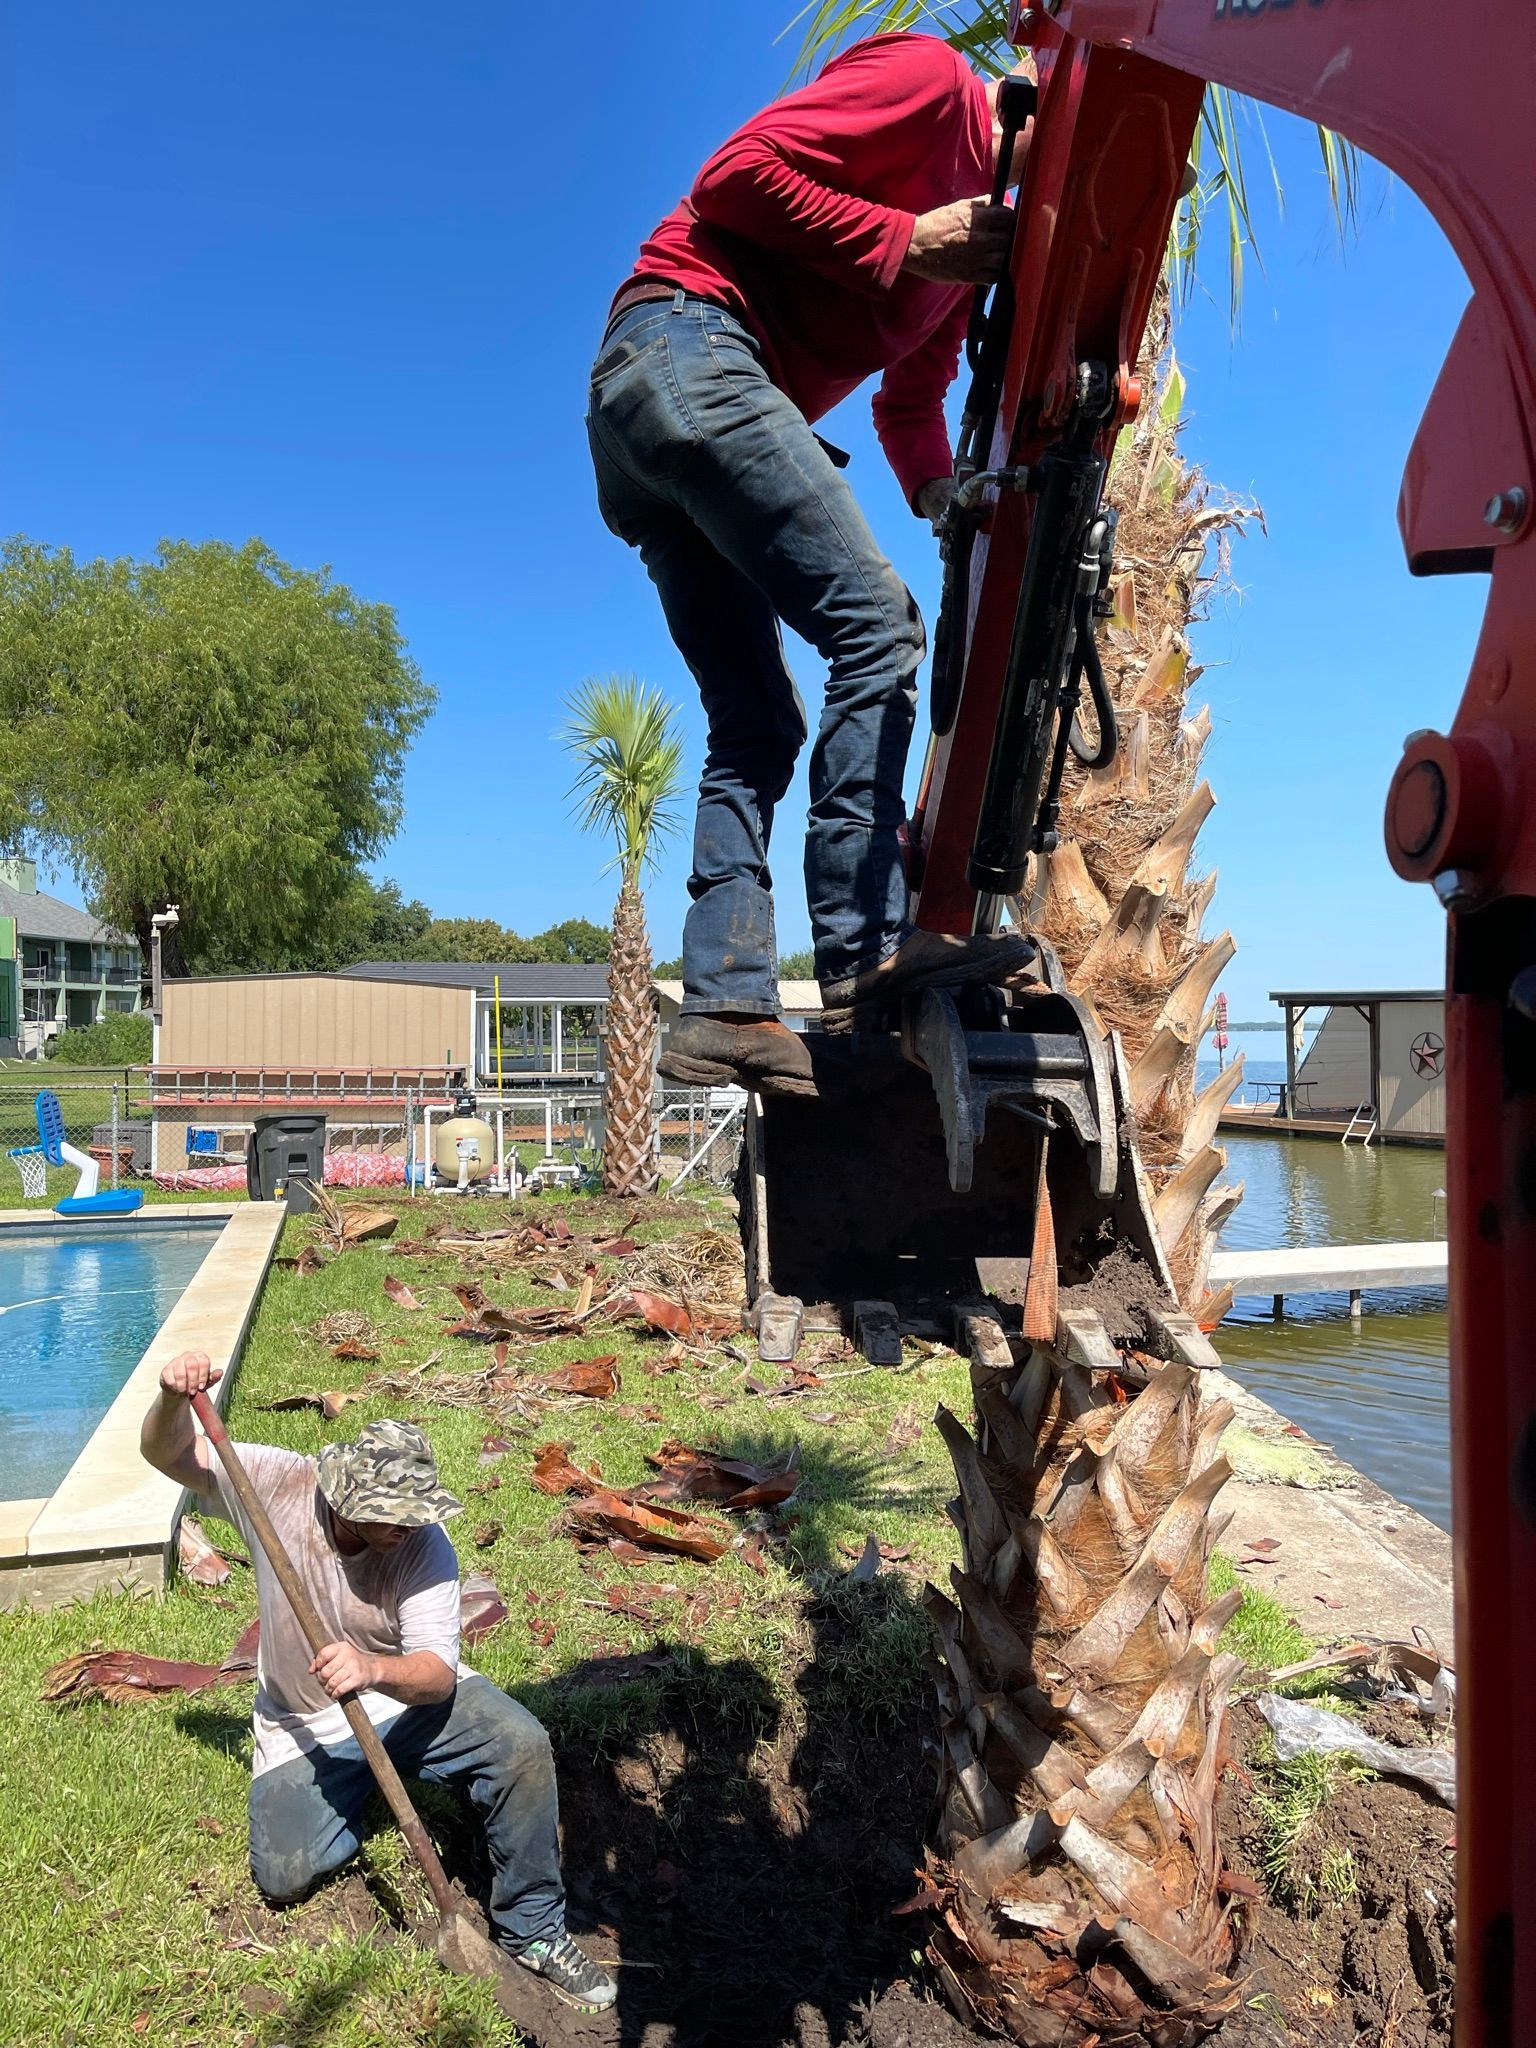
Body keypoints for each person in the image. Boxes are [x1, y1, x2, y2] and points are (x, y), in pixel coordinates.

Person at [588, 32, 1035, 1096]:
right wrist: (905, 235)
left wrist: (939, 494)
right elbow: (732, 178)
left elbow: (910, 401)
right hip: (688, 340)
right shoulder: (930, 83)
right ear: (1025, 106)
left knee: (758, 722)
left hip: (649, 412)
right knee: (878, 627)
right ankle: (865, 941)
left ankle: (726, 1004)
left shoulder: (966, 268)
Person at [140, 1352, 616, 2013]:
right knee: (284, 1875)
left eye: (412, 1514)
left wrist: (371, 1670)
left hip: (405, 1700)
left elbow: (434, 1674)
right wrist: (170, 1399)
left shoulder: (424, 1547)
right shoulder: (276, 1485)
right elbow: (168, 1455)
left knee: (520, 1744)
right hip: (304, 1725)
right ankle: (354, 1792)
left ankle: (532, 1926)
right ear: (342, 1500)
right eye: (388, 1515)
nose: (404, 1527)